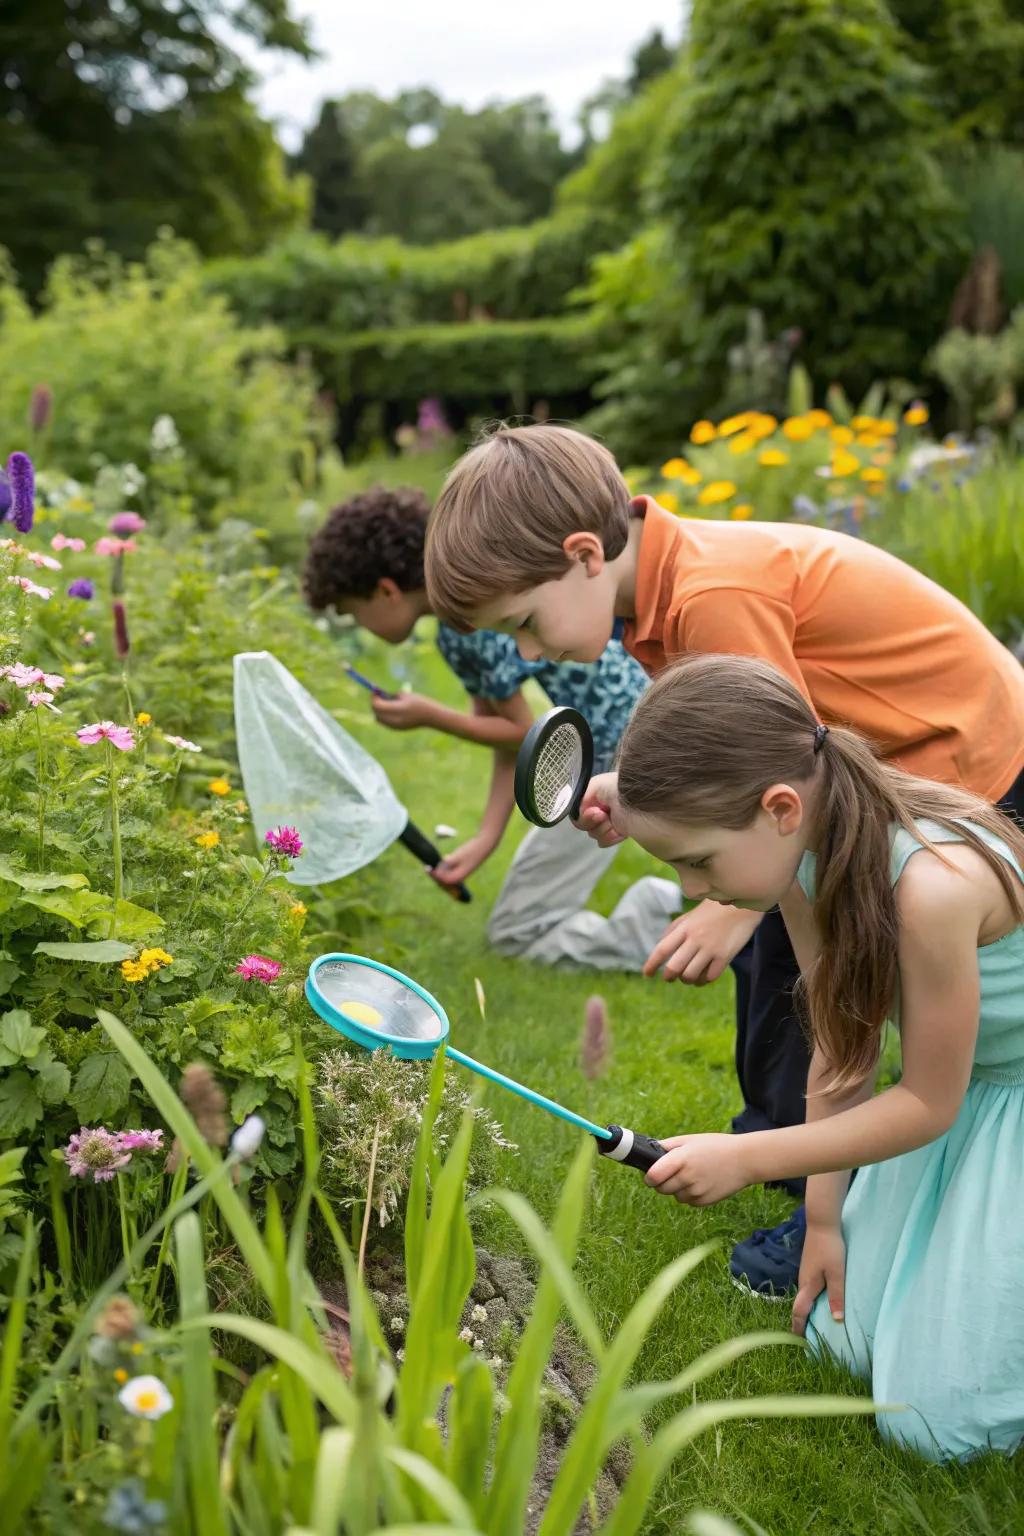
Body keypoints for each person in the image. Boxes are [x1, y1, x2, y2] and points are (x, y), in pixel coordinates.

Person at [424, 422, 1024, 1292]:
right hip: (872, 773)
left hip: (972, 766)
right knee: (796, 952)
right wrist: (631, 788)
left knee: (791, 953)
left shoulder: (710, 594)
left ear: (586, 554)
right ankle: (804, 1169)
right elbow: (748, 750)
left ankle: (803, 1175)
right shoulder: (660, 589)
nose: (525, 654)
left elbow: (769, 781)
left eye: (524, 620)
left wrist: (728, 908)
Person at [607, 651, 1024, 1463]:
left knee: (933, 1428)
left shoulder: (933, 889)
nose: (694, 890)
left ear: (781, 807)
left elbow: (926, 1105)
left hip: (1002, 1102)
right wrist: (823, 1220)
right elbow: (842, 1048)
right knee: (842, 1345)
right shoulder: (798, 866)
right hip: (973, 1091)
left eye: (696, 860)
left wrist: (750, 1156)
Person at [302, 486, 679, 970]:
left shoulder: (466, 625)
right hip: (616, 737)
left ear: (386, 591)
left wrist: (430, 716)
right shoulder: (462, 621)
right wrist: (485, 839)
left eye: (354, 613)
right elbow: (509, 738)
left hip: (615, 749)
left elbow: (527, 737)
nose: (362, 627)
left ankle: (658, 924)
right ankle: (674, 904)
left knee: (516, 933)